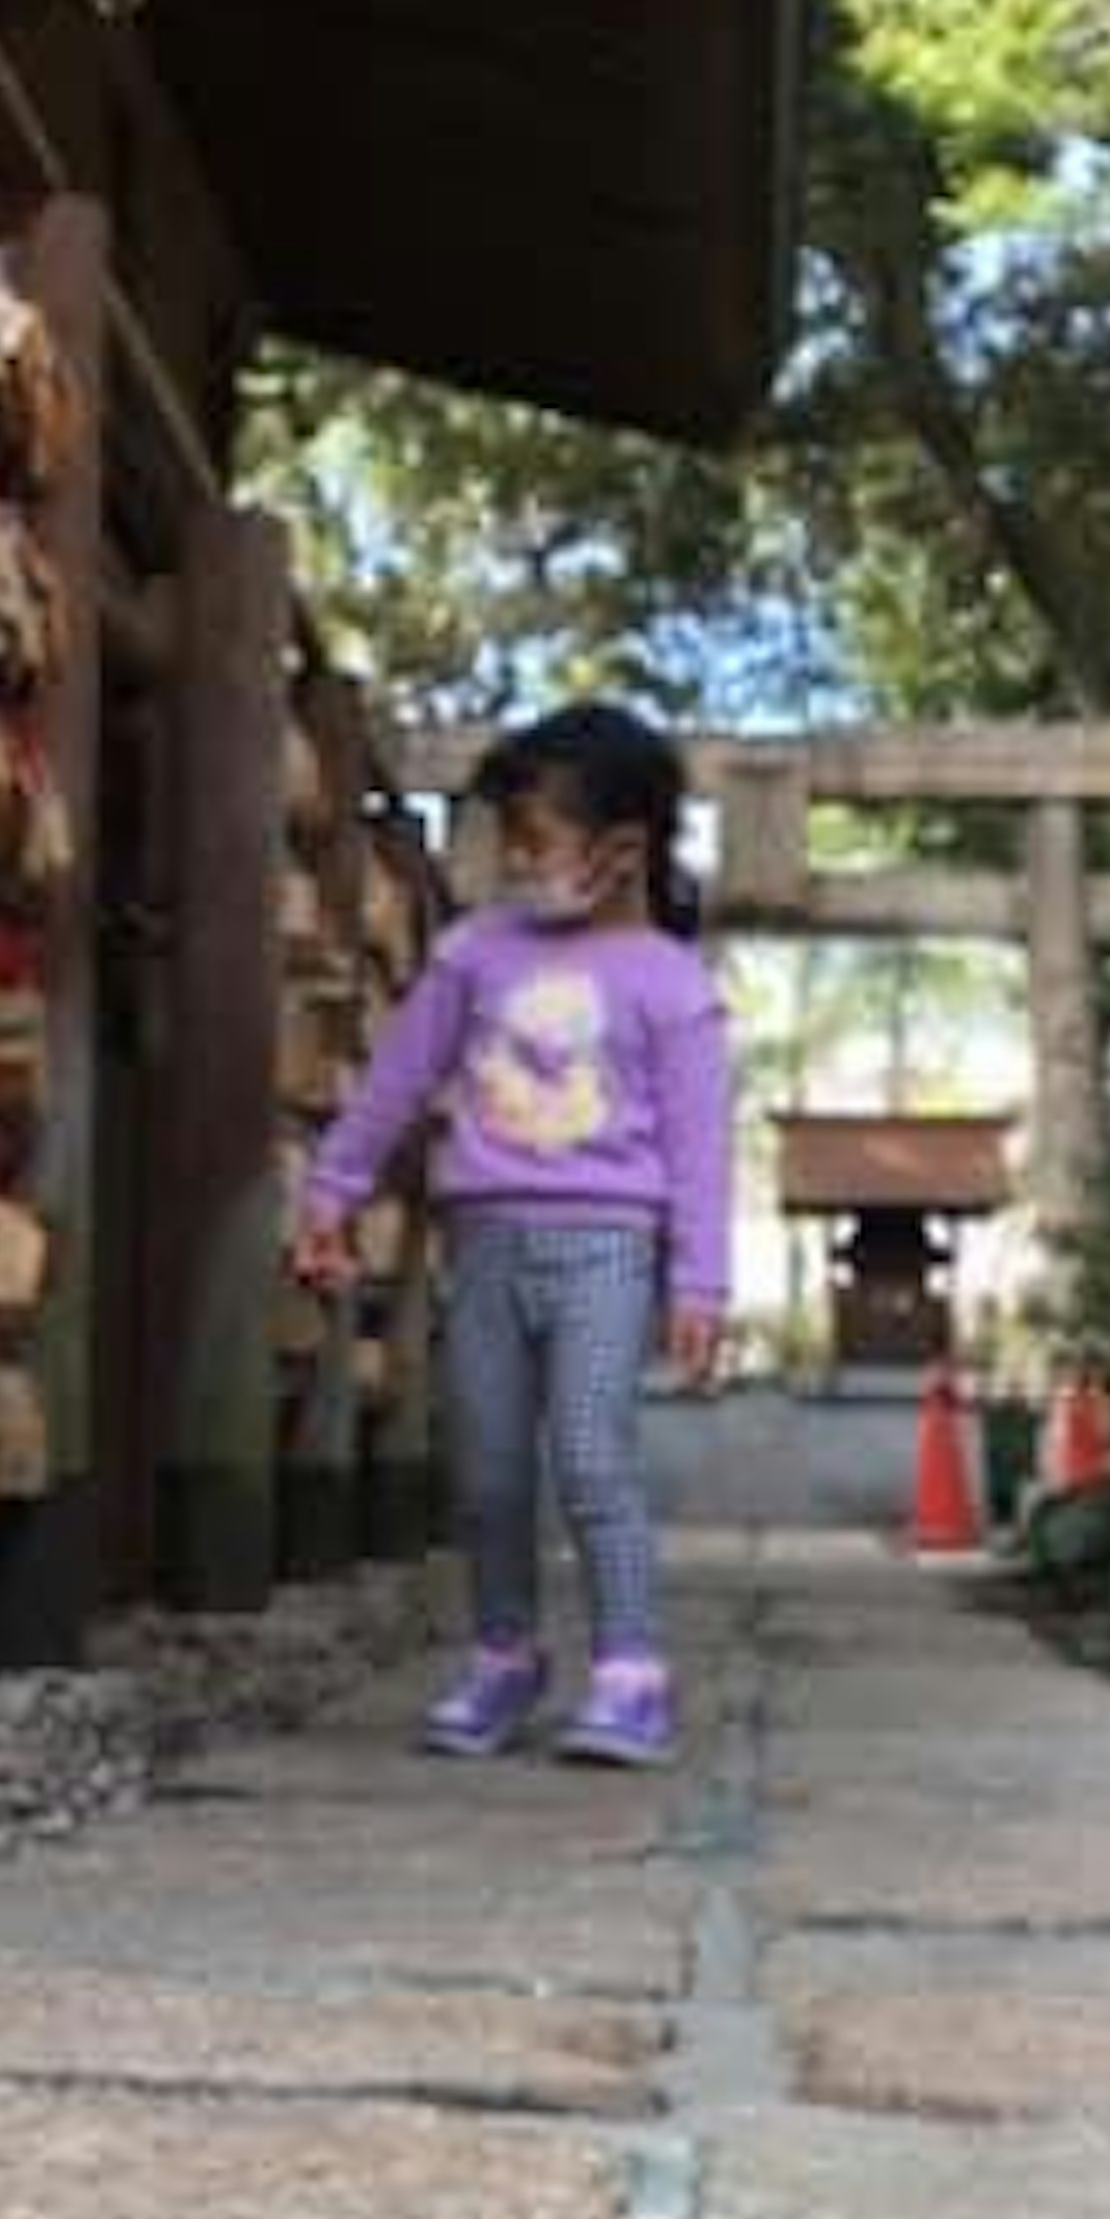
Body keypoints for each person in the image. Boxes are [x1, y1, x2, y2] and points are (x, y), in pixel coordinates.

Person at [290, 699, 731, 1767]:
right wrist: (332, 1186)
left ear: (623, 852)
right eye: (510, 840)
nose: (516, 861)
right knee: (486, 1466)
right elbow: (398, 1079)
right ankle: (503, 1656)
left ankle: (631, 1672)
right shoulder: (473, 953)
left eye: (537, 840)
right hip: (483, 1241)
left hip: (609, 1247)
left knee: (590, 1454)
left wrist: (702, 1285)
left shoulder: (673, 986)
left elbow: (701, 1147)